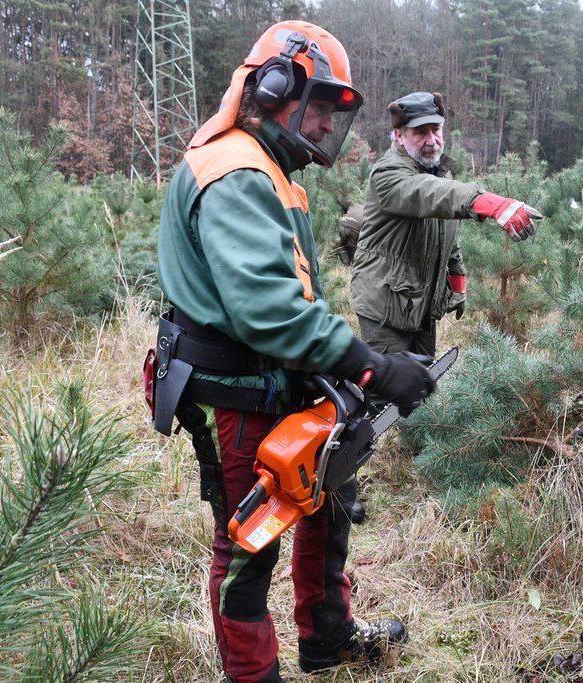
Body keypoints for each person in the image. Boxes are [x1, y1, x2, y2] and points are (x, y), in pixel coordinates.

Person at [151, 21, 434, 683]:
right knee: (248, 545)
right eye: (321, 107)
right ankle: (255, 675)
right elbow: (268, 310)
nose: (327, 126)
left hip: (271, 376)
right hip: (232, 389)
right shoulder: (236, 171)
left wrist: (327, 371)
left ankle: (327, 634)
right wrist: (369, 364)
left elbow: (294, 293)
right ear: (277, 88)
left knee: (330, 489)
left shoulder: (267, 171)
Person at [349, 91, 542, 356]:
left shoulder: (439, 171)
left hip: (420, 304)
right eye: (420, 132)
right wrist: (488, 203)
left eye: (436, 130)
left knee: (423, 377)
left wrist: (457, 279)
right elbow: (431, 193)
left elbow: (447, 237)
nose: (432, 141)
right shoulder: (388, 173)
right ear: (399, 136)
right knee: (390, 382)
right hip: (383, 306)